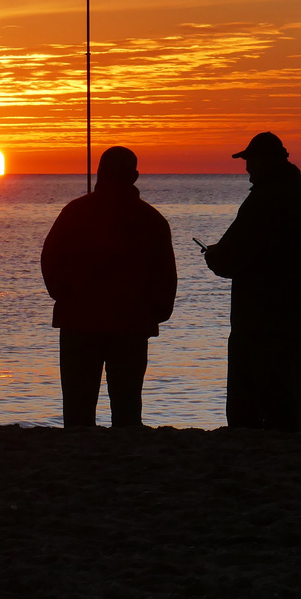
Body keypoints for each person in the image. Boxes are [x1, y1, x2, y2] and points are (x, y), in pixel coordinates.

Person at [41, 146, 177, 429]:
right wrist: (157, 312)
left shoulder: (75, 212)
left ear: (100, 174)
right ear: (135, 176)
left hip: (79, 322)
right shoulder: (152, 220)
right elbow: (165, 275)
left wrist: (64, 295)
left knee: (78, 410)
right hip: (131, 325)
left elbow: (50, 259)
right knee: (127, 407)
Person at [202, 132, 301, 431]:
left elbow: (234, 253)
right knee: (289, 392)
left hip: (261, 317)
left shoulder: (266, 198)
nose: (247, 169)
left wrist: (213, 257)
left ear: (265, 160)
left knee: (250, 399)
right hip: (298, 313)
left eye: (250, 161)